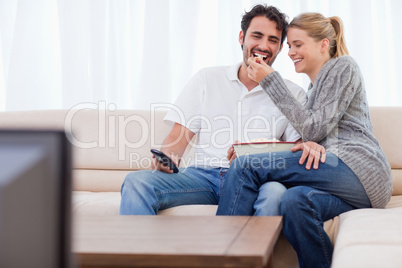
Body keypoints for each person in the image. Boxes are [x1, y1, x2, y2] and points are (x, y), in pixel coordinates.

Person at [216, 12, 392, 268]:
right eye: (289, 46)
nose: (290, 52)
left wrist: (269, 80)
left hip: (359, 170)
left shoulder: (343, 66)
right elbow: (313, 133)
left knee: (245, 166)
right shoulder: (313, 89)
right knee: (295, 201)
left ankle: (219, 257)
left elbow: (313, 127)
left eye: (298, 45)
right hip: (347, 181)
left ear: (323, 45)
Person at [119, 5, 308, 216]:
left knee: (275, 193)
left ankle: (249, 250)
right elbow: (178, 137)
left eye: (273, 40)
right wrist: (168, 158)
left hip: (257, 179)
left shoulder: (292, 94)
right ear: (241, 37)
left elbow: (296, 150)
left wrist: (255, 155)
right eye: (257, 36)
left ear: (280, 47)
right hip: (203, 177)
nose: (263, 46)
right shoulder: (207, 79)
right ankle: (139, 249)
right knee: (137, 182)